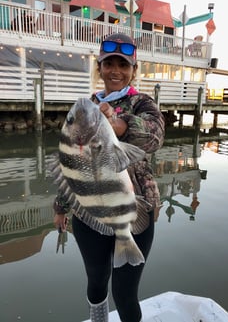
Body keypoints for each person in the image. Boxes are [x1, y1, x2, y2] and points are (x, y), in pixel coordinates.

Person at [53, 32, 165, 322]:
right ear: (99, 68)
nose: (116, 70)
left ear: (133, 70)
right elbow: (70, 160)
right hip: (88, 213)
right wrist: (61, 207)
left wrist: (119, 124)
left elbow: (155, 137)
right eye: (109, 64)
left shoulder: (142, 103)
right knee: (96, 281)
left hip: (132, 211)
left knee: (126, 293)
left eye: (123, 65)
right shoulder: (86, 107)